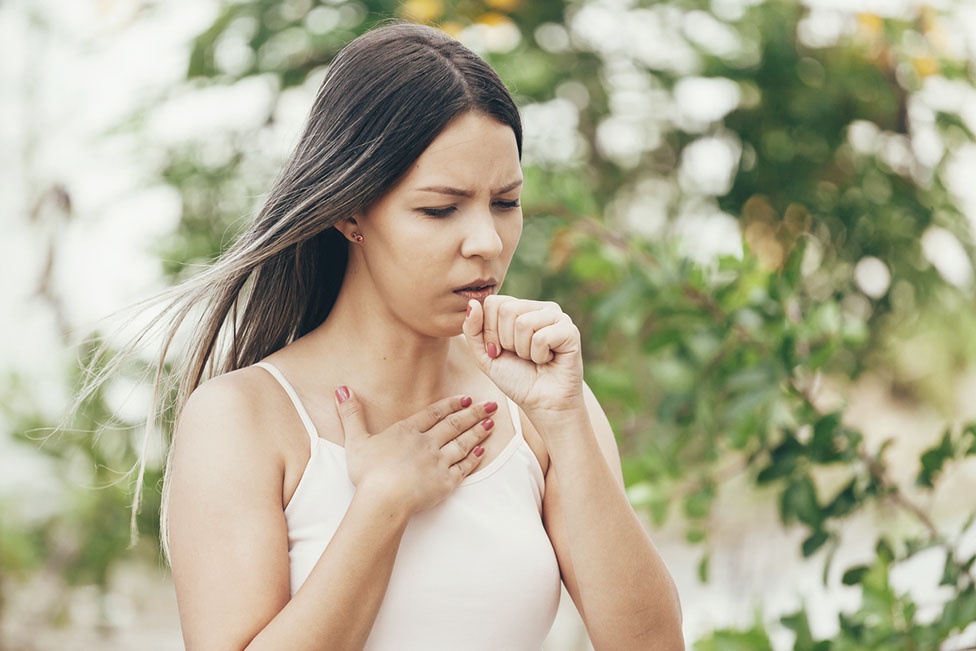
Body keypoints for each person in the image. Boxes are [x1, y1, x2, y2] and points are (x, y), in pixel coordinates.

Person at [151, 22, 682, 651]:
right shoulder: (244, 418)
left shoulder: (541, 412)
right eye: (440, 209)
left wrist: (566, 422)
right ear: (350, 211)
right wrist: (380, 507)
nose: (486, 241)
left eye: (505, 203)